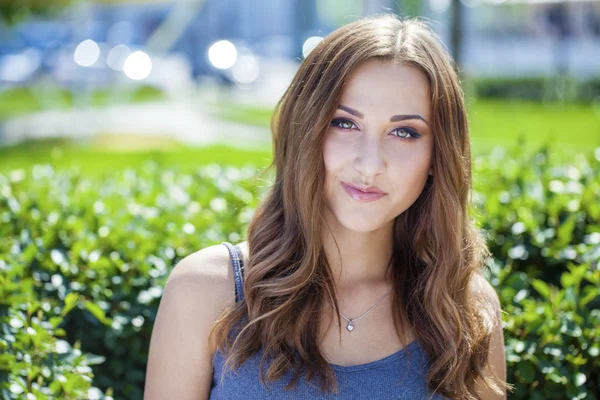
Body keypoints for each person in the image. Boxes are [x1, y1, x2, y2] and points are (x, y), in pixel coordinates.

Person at [144, 13, 511, 400]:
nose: (370, 165)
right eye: (345, 123)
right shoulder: (206, 290)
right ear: (305, 131)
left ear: (437, 155)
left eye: (404, 132)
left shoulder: (463, 309)